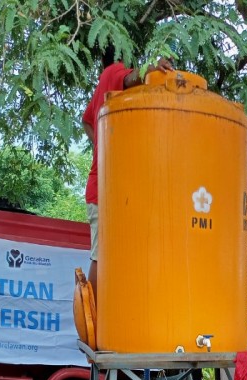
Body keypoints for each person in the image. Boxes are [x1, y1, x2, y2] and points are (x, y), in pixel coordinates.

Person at [82, 45, 173, 293]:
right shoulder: (113, 72)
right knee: (101, 256)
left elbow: (86, 120)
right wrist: (154, 68)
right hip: (102, 188)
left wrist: (103, 144)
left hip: (108, 188)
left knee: (113, 255)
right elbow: (133, 78)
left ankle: (104, 316)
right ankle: (92, 320)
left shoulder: (103, 84)